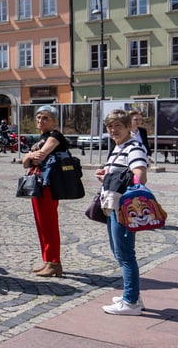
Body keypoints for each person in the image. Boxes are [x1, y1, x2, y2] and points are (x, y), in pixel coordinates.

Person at [96, 109, 148, 316]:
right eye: (110, 126)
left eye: (118, 125)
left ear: (128, 127)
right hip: (112, 206)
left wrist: (118, 182)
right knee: (120, 253)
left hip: (122, 208)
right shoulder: (119, 148)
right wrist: (106, 176)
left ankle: (131, 302)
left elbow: (140, 176)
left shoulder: (133, 148)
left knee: (125, 254)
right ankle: (133, 294)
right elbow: (120, 174)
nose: (113, 129)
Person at [22, 105, 69, 277]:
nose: (40, 121)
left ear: (54, 121)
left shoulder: (55, 136)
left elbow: (40, 156)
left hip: (49, 185)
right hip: (39, 183)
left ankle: (54, 262)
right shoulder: (42, 137)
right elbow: (26, 162)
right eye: (39, 117)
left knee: (49, 224)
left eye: (45, 118)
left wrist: (29, 157)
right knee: (41, 224)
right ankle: (47, 260)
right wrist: (28, 158)